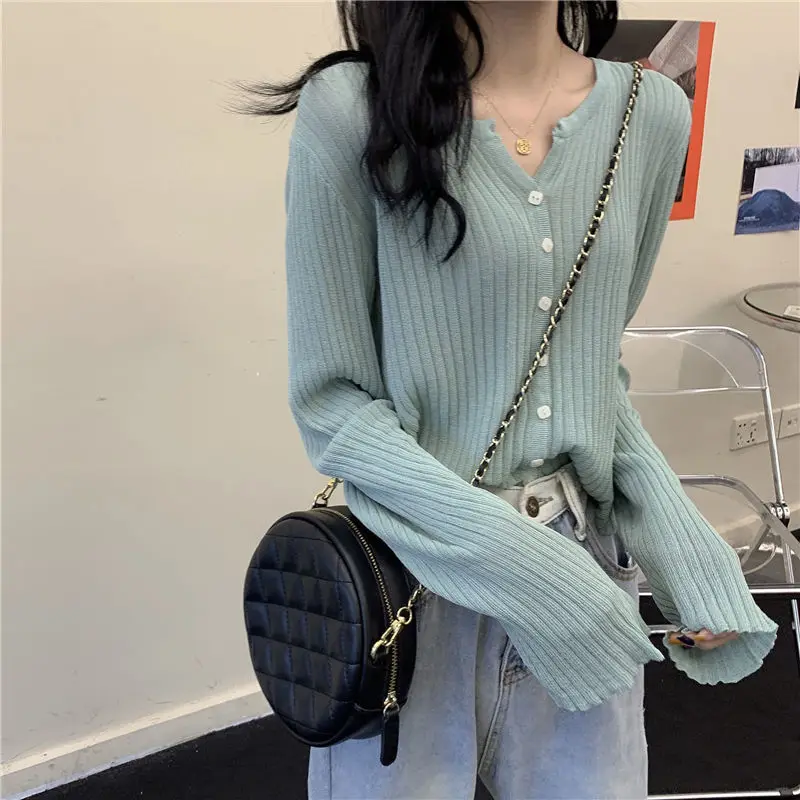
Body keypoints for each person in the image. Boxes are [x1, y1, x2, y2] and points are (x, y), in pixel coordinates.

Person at [244, 2, 777, 798]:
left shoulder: (652, 115)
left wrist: (689, 556)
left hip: (584, 565)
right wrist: (532, 573)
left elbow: (591, 379)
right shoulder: (353, 108)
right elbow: (334, 405)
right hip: (413, 579)